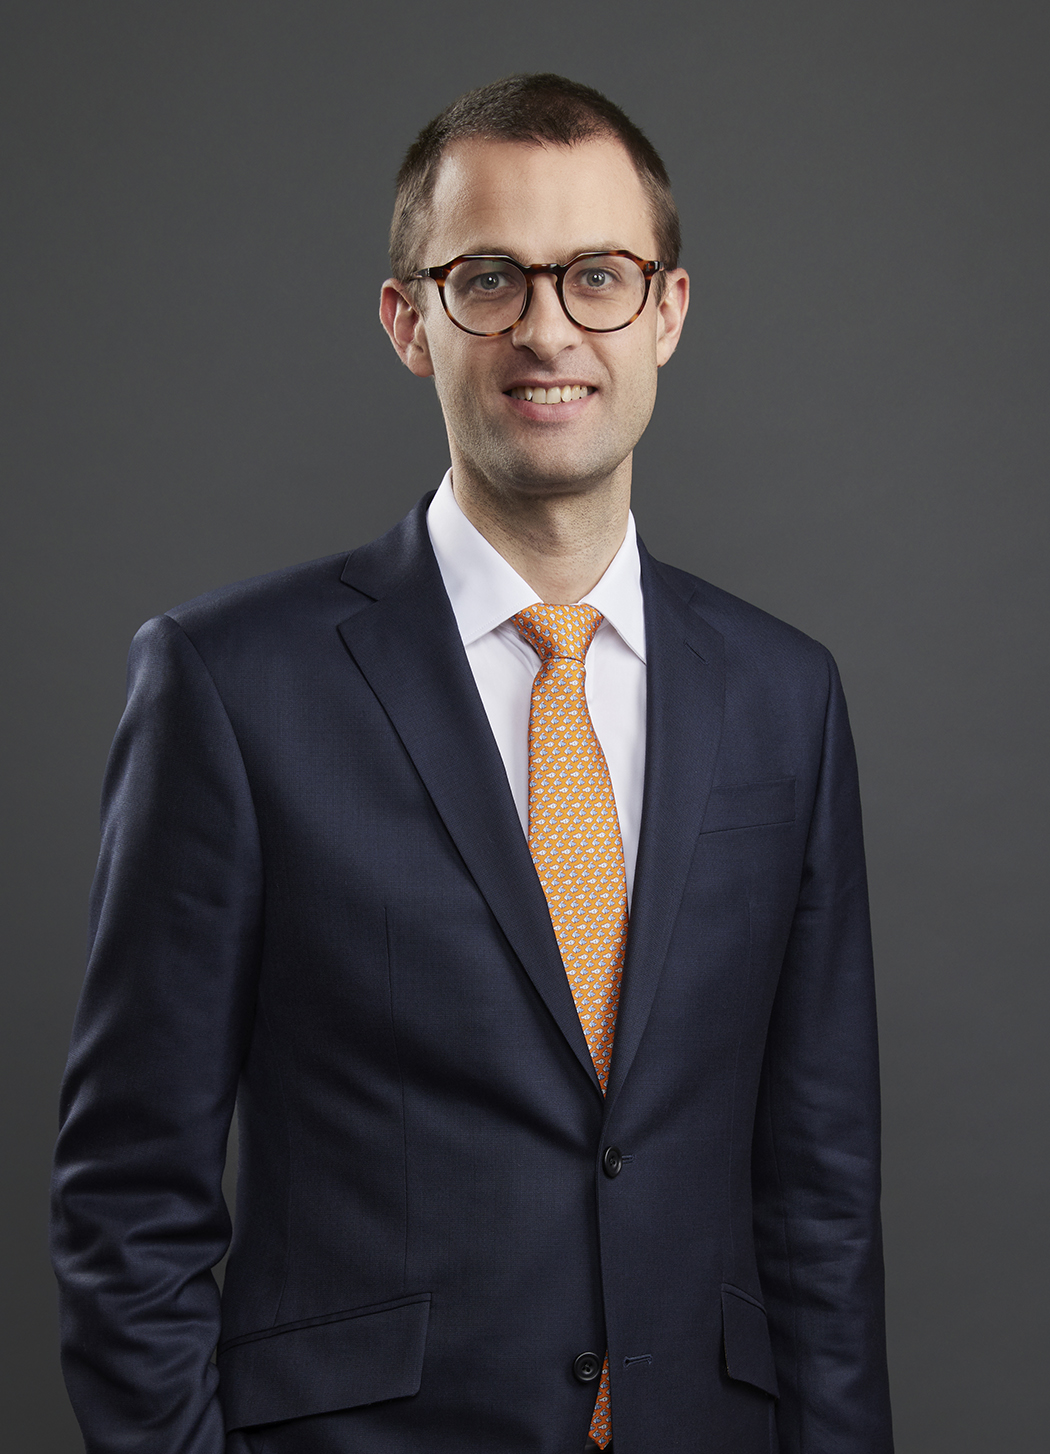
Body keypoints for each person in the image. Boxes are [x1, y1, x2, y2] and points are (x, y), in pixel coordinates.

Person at [51, 74, 893, 1454]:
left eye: (598, 276)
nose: (548, 328)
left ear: (668, 312)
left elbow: (821, 1196)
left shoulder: (782, 696)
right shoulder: (229, 684)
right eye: (490, 278)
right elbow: (128, 1195)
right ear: (409, 320)